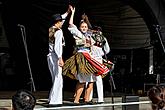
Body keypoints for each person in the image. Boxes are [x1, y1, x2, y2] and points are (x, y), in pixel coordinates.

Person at [62, 6, 110, 104]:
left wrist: (86, 20)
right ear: (79, 27)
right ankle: (76, 100)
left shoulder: (89, 35)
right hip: (82, 56)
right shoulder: (77, 33)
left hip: (89, 58)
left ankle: (87, 99)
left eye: (85, 27)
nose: (84, 28)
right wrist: (73, 13)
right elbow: (71, 24)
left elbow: (94, 31)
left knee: (92, 80)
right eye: (82, 27)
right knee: (83, 81)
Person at [47, 5, 71, 106]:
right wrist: (60, 58)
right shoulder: (59, 31)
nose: (62, 23)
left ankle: (52, 98)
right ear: (58, 22)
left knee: (55, 78)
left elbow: (61, 18)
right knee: (58, 78)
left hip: (50, 56)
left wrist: (67, 12)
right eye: (61, 21)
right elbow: (58, 47)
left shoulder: (51, 29)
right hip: (56, 56)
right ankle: (55, 100)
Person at [88, 25, 111, 104]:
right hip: (98, 59)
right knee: (98, 78)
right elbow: (107, 50)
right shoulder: (103, 38)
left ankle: (89, 98)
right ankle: (100, 99)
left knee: (90, 78)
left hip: (91, 59)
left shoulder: (90, 36)